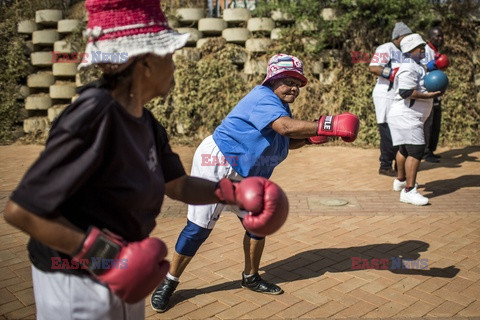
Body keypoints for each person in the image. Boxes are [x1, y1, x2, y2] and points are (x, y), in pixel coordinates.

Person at [2, 0, 289, 319]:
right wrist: (107, 257)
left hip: (127, 271)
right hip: (75, 281)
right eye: (168, 55)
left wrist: (231, 193)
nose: (174, 65)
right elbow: (22, 211)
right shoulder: (93, 115)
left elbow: (177, 185)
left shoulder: (145, 122)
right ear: (145, 64)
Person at [150, 53, 360, 312]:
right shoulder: (263, 98)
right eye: (287, 81)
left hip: (247, 171)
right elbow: (285, 128)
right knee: (198, 229)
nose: (293, 86)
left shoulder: (281, 106)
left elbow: (283, 139)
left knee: (258, 223)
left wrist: (309, 138)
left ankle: (250, 277)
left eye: (297, 81)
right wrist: (325, 125)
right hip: (218, 163)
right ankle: (169, 282)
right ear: (272, 80)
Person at [388, 33, 443, 206]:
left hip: (408, 115)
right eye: (420, 48)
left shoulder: (416, 65)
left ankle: (401, 181)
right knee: (417, 150)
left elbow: (424, 73)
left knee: (405, 149)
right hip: (407, 116)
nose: (423, 49)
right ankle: (409, 191)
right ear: (410, 50)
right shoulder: (409, 68)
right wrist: (429, 96)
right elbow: (405, 92)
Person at [369, 22, 412, 177]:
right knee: (387, 130)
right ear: (398, 36)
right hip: (385, 95)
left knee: (399, 129)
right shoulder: (385, 48)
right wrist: (392, 74)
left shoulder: (404, 51)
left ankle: (397, 164)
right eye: (407, 37)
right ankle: (385, 165)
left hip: (398, 96)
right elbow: (373, 67)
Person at [422, 26, 449, 163]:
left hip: (436, 90)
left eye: (441, 36)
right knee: (429, 122)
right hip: (429, 91)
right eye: (437, 36)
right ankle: (426, 152)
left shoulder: (435, 51)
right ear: (429, 37)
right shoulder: (426, 50)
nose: (440, 38)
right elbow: (422, 69)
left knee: (436, 120)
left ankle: (431, 149)